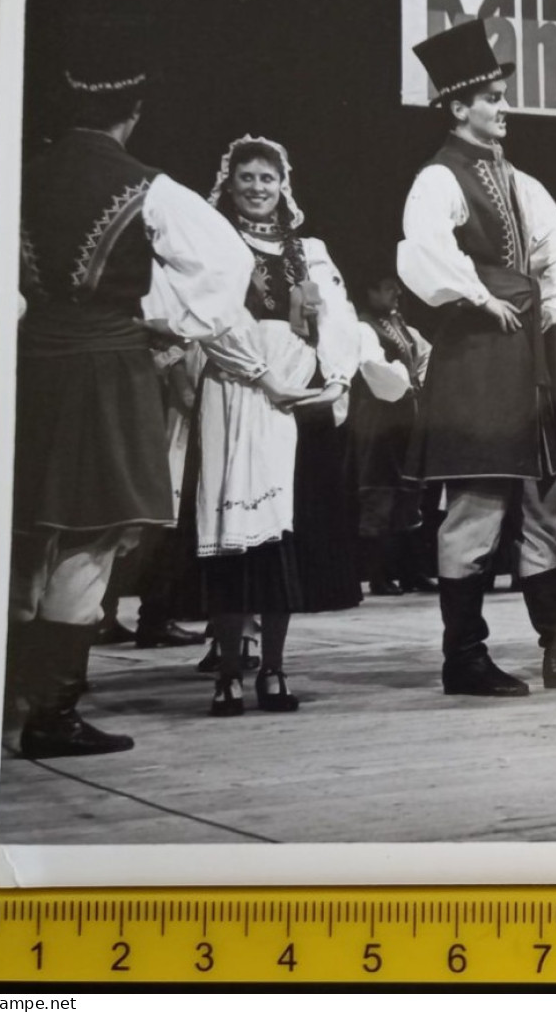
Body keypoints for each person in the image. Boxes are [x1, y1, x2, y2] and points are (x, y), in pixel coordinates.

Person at [8, 26, 266, 756]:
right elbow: (224, 266)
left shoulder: (18, 174)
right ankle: (52, 715)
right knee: (90, 534)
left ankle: (12, 698)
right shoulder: (148, 188)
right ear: (135, 112)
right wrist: (163, 324)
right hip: (107, 370)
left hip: (28, 367)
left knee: (25, 533)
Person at [399, 19, 556, 697]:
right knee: (475, 505)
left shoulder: (515, 179)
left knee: (540, 501)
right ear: (457, 107)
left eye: (504, 95)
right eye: (492, 97)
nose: (504, 107)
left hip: (516, 356)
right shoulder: (439, 178)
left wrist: (542, 309)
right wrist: (479, 296)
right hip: (475, 362)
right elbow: (421, 252)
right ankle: (463, 657)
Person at [174, 134, 361, 716]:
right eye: (247, 178)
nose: (258, 188)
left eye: (268, 179)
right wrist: (261, 375)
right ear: (229, 185)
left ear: (285, 186)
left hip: (295, 407)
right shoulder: (215, 245)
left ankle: (275, 669)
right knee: (235, 544)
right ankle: (228, 670)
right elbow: (209, 323)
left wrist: (337, 378)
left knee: (286, 543)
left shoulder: (311, 250)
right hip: (235, 399)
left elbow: (338, 319)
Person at [350, 275, 435, 596]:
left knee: (410, 496)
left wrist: (421, 383)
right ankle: (379, 575)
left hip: (406, 420)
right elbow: (373, 367)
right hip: (379, 421)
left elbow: (426, 354)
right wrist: (404, 382)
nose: (397, 292)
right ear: (370, 292)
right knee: (380, 496)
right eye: (387, 287)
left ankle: (412, 572)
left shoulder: (400, 326)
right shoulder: (363, 328)